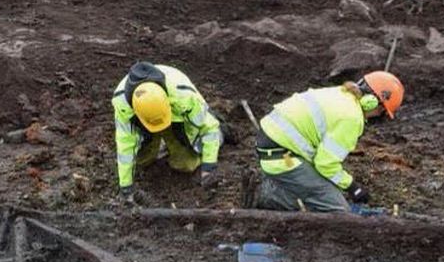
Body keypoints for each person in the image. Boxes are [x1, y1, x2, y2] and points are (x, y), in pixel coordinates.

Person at [251, 72, 404, 213]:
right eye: (381, 111)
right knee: (337, 209)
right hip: (284, 159)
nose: (378, 116)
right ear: (371, 102)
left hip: (271, 145)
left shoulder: (340, 93)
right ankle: (269, 196)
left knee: (320, 188)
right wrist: (352, 187)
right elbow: (325, 164)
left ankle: (281, 187)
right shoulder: (351, 118)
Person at [112, 61, 222, 202]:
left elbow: (209, 129)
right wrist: (126, 187)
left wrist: (209, 168)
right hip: (146, 122)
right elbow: (125, 146)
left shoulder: (183, 96)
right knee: (142, 161)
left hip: (177, 118)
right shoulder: (123, 105)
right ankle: (155, 142)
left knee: (186, 165)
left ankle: (221, 130)